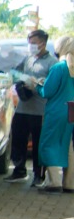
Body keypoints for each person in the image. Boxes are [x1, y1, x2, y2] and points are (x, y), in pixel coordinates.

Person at [7, 29, 57, 185]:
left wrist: (35, 83)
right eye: (29, 43)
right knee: (18, 138)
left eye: (34, 43)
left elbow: (52, 86)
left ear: (43, 43)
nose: (31, 46)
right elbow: (15, 73)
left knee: (38, 144)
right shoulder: (28, 59)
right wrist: (22, 79)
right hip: (22, 107)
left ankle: (38, 175)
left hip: (40, 110)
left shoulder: (52, 63)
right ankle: (19, 170)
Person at [36, 36, 74, 193]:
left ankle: (54, 182)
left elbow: (47, 91)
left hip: (57, 111)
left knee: (48, 143)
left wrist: (37, 85)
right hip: (71, 110)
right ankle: (70, 183)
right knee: (68, 145)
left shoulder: (59, 68)